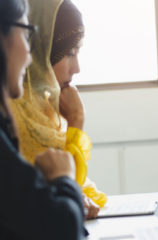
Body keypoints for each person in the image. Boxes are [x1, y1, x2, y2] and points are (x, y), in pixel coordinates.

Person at [10, 0, 106, 219]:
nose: (77, 68)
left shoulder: (43, 109)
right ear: (41, 50)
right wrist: (76, 119)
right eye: (69, 53)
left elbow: (71, 188)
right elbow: (53, 209)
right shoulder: (15, 114)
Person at [0, 0, 85, 239]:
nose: (30, 55)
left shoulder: (47, 109)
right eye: (26, 36)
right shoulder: (14, 118)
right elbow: (60, 227)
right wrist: (65, 183)